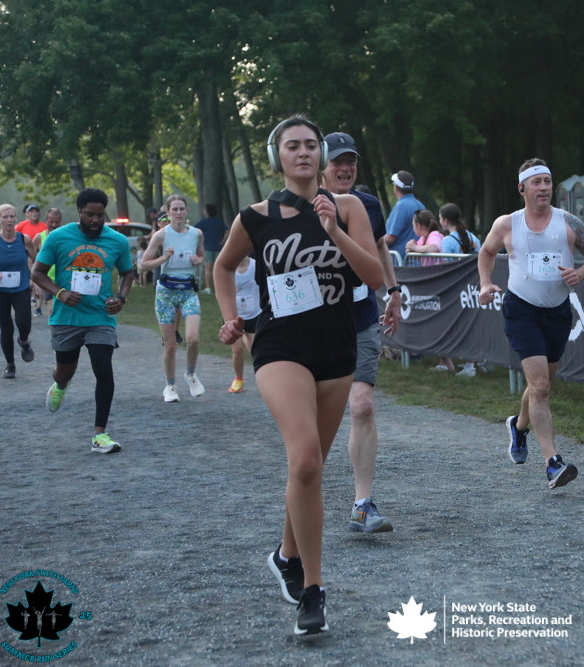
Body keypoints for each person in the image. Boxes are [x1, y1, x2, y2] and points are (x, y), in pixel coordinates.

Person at [214, 116, 382, 635]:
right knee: (305, 458)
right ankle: (313, 589)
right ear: (278, 157)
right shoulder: (255, 217)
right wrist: (231, 318)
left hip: (336, 348)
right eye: (293, 146)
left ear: (322, 155)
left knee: (309, 470)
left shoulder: (349, 208)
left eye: (312, 145)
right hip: (280, 346)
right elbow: (223, 266)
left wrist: (334, 230)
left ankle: (285, 553)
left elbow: (374, 276)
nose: (304, 152)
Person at [477, 158, 584, 488]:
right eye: (537, 182)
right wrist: (485, 283)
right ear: (522, 188)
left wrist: (580, 273)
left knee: (541, 384)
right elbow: (487, 252)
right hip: (521, 310)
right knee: (541, 386)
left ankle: (518, 427)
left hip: (558, 311)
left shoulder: (568, 222)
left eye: (547, 181)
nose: (544, 187)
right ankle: (552, 462)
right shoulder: (507, 224)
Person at [322, 130, 402, 534]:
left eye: (350, 161)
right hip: (316, 324)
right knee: (316, 417)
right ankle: (303, 494)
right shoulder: (299, 207)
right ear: (322, 166)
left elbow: (380, 247)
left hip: (360, 317)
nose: (345, 168)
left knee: (363, 406)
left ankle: (362, 503)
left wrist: (393, 291)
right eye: (337, 161)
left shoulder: (368, 204)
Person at [32, 188, 134, 454]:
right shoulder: (58, 237)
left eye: (100, 215)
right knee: (64, 370)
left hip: (100, 316)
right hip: (67, 317)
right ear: (79, 211)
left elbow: (127, 273)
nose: (96, 220)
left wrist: (121, 298)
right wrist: (60, 293)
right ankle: (60, 384)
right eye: (90, 214)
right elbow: (37, 273)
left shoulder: (117, 241)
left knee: (104, 369)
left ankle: (100, 434)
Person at [139, 194, 206, 402]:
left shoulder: (196, 233)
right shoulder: (161, 235)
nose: (178, 213)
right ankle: (170, 386)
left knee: (193, 338)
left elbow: (202, 256)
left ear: (187, 211)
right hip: (166, 293)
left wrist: (197, 260)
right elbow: (143, 265)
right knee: (170, 345)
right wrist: (164, 257)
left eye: (181, 209)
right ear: (167, 213)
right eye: (174, 209)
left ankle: (191, 374)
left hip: (188, 291)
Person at [0, 204, 37, 378]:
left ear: (16, 218)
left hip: (21, 288)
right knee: (6, 328)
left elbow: (37, 262)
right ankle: (10, 364)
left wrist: (35, 280)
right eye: (5, 217)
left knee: (24, 322)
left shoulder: (24, 239)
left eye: (12, 216)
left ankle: (24, 341)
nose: (9, 220)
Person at [438, 202, 484, 376]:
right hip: (475, 287)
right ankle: (475, 361)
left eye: (440, 218)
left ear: (445, 220)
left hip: (457, 289)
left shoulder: (447, 241)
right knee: (472, 324)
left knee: (461, 326)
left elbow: (446, 268)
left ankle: (469, 365)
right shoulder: (474, 238)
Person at [225, 255, 258, 393]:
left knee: (256, 350)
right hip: (234, 314)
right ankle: (238, 379)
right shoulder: (228, 267)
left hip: (254, 313)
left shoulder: (256, 265)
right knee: (237, 350)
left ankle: (264, 378)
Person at [382, 170, 423, 261]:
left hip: (401, 261)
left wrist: (372, 244)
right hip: (417, 261)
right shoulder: (420, 205)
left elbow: (390, 237)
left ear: (396, 187)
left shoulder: (401, 206)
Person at [32, 208, 64, 317]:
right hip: (47, 280)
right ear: (46, 220)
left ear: (60, 221)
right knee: (52, 310)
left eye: (57, 222)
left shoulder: (65, 238)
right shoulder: (39, 238)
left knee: (63, 311)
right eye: (51, 222)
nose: (54, 225)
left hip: (63, 278)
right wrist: (35, 279)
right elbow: (32, 259)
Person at [194, 203, 227, 294]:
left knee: (207, 269)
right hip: (218, 247)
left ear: (207, 211)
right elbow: (227, 231)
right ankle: (219, 287)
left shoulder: (204, 222)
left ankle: (208, 288)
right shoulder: (219, 222)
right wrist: (223, 241)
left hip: (207, 248)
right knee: (217, 268)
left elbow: (194, 229)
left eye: (205, 210)